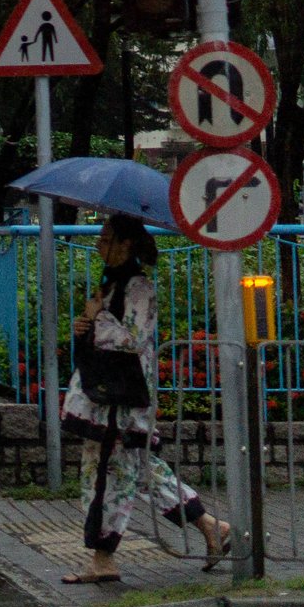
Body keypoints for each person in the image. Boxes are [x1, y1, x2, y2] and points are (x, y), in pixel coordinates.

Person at [63, 216, 229, 583]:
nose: (99, 246)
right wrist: (86, 325)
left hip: (119, 402)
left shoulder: (137, 287)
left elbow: (133, 338)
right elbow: (107, 331)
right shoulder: (112, 284)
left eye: (106, 240)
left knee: (107, 475)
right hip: (106, 397)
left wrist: (98, 319)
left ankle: (103, 558)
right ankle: (209, 525)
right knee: (138, 471)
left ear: (125, 245)